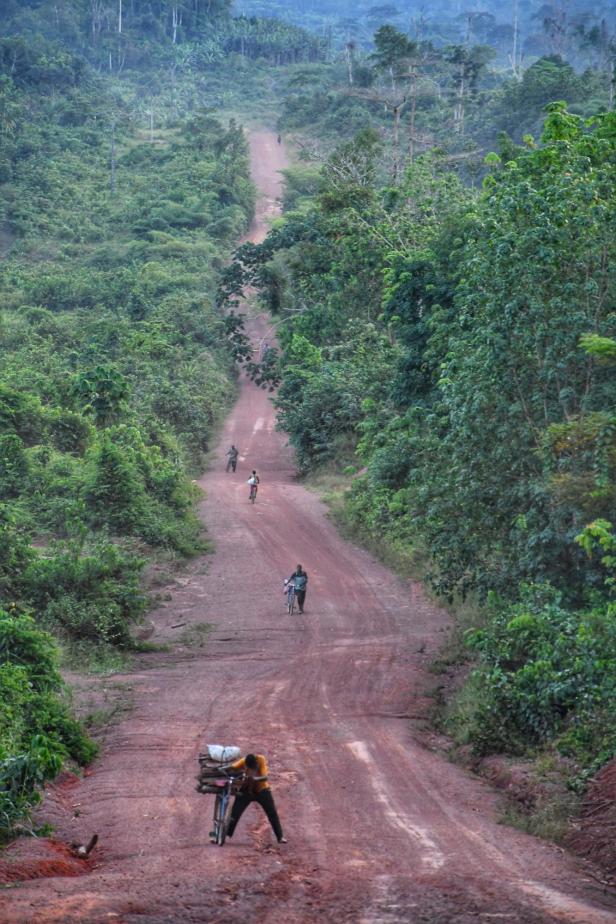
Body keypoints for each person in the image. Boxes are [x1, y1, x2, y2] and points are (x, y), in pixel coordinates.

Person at [223, 753, 286, 844]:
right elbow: (233, 766)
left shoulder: (261, 759)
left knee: (272, 813)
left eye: (253, 767)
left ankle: (280, 837)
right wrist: (222, 769)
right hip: (246, 790)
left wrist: (255, 779)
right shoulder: (244, 761)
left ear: (256, 763)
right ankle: (225, 834)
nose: (252, 769)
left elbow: (265, 777)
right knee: (234, 814)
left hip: (262, 791)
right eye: (250, 767)